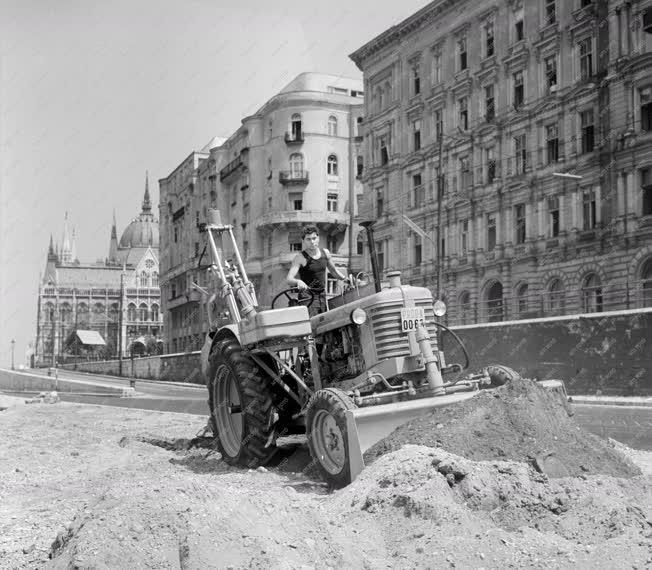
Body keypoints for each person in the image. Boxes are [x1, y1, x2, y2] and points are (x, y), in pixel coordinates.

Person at [286, 226, 349, 315]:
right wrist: (298, 282)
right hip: (307, 297)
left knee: (324, 323)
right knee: (313, 324)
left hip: (322, 295)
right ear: (304, 241)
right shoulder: (300, 257)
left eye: (314, 238)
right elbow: (289, 279)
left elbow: (333, 271)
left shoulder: (325, 253)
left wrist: (346, 279)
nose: (312, 242)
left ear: (318, 238)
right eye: (308, 239)